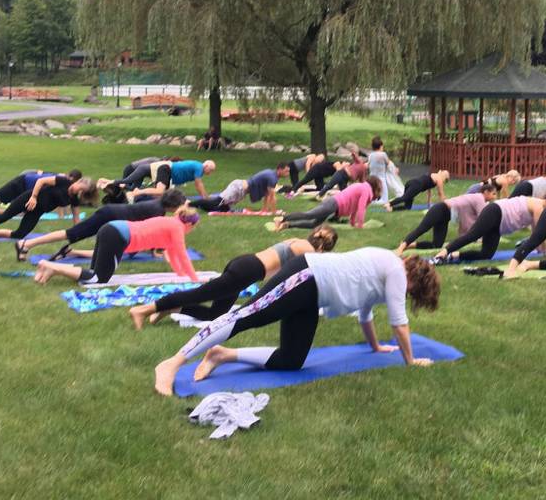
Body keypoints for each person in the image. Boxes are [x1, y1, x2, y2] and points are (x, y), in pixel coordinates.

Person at [152, 248, 441, 396]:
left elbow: (366, 313)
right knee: (245, 317)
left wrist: (376, 347)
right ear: (415, 279)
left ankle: (221, 355)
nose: (408, 295)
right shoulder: (395, 270)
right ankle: (172, 363)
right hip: (305, 277)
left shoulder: (386, 270)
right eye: (414, 293)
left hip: (312, 297)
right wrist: (410, 360)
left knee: (291, 359)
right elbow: (399, 323)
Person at [128, 225, 338, 328]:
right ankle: (144, 309)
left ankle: (170, 308)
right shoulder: (307, 250)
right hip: (247, 270)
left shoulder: (299, 240)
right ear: (325, 248)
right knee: (198, 294)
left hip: (245, 266)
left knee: (216, 315)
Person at [33, 206, 201, 286]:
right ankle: (51, 267)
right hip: (117, 235)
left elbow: (173, 253)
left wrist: (181, 274)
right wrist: (195, 280)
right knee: (98, 279)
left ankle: (50, 269)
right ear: (190, 225)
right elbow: (183, 255)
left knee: (93, 275)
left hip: (112, 229)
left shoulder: (172, 223)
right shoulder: (177, 227)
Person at [14, 188, 187, 261]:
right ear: (172, 205)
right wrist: (158, 251)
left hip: (113, 217)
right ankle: (26, 243)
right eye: (179, 206)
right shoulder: (157, 210)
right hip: (109, 216)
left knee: (117, 252)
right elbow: (151, 234)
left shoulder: (157, 206)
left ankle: (69, 251)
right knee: (72, 233)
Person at [0, 176, 98, 244]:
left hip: (38, 211)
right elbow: (41, 181)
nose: (78, 191)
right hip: (28, 200)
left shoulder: (74, 199)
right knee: (4, 217)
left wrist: (79, 232)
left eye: (82, 192)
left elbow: (76, 218)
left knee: (19, 234)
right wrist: (34, 197)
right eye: (80, 187)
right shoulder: (63, 181)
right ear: (79, 181)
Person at [433, 196, 545, 263]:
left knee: (486, 254)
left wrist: (540, 250)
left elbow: (536, 232)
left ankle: (452, 256)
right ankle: (442, 253)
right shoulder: (538, 207)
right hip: (495, 212)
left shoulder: (540, 206)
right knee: (473, 235)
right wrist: (543, 252)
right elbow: (539, 232)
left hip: (499, 226)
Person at [394, 183, 499, 253]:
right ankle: (401, 248)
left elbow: (471, 219)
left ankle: (410, 245)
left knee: (437, 244)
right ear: (486, 192)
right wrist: (479, 237)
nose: (495, 197)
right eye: (493, 194)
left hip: (445, 217)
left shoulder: (478, 198)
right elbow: (482, 219)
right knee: (421, 229)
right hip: (440, 209)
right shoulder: (479, 198)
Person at [0, 168, 81, 220]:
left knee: (19, 213)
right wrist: (61, 216)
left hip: (29, 191)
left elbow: (58, 201)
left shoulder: (66, 184)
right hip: (23, 182)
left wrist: (62, 216)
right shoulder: (61, 179)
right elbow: (41, 181)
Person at [275, 177, 380, 230]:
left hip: (334, 205)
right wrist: (360, 225)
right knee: (309, 215)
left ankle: (287, 225)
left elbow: (356, 208)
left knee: (313, 224)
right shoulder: (365, 189)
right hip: (333, 203)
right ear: (374, 187)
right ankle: (282, 219)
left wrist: (353, 223)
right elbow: (361, 208)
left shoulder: (363, 188)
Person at [192, 164, 286, 213]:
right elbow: (272, 197)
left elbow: (267, 194)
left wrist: (264, 210)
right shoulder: (272, 177)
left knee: (222, 209)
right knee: (216, 202)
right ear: (279, 169)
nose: (287, 173)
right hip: (238, 187)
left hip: (240, 191)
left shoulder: (272, 174)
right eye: (286, 171)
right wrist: (273, 211)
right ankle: (190, 204)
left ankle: (199, 206)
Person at [116, 159, 216, 200]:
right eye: (210, 170)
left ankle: (133, 193)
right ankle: (137, 192)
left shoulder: (198, 167)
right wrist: (205, 198)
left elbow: (198, 184)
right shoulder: (199, 167)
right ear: (206, 165)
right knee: (160, 192)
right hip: (167, 171)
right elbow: (198, 184)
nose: (210, 173)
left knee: (160, 195)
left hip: (168, 174)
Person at [367, 137, 395, 206]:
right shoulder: (383, 154)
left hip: (372, 176)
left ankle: (373, 199)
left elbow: (369, 164)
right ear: (380, 146)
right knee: (384, 191)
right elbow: (388, 163)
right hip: (381, 176)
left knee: (373, 189)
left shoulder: (370, 155)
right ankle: (383, 200)